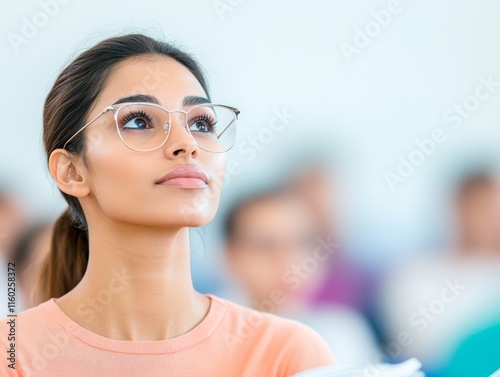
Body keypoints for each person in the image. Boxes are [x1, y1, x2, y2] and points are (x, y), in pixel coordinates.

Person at [0, 33, 335, 376]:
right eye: (138, 121)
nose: (186, 144)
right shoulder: (12, 355)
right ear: (72, 171)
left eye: (201, 123)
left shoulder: (287, 355)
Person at [222, 187, 381, 364]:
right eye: (265, 245)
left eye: (301, 242)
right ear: (229, 256)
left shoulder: (344, 332)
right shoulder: (210, 334)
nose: (288, 260)